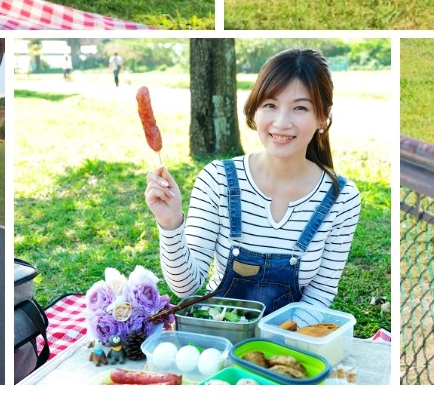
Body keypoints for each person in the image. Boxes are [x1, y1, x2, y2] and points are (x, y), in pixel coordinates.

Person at [145, 49, 361, 312]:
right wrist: (170, 223)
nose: (281, 123)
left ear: (322, 118)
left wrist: (273, 346)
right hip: (221, 332)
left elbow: (320, 295)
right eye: (270, 105)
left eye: (300, 108)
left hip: (287, 340)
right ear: (254, 110)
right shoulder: (217, 180)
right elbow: (187, 287)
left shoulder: (342, 197)